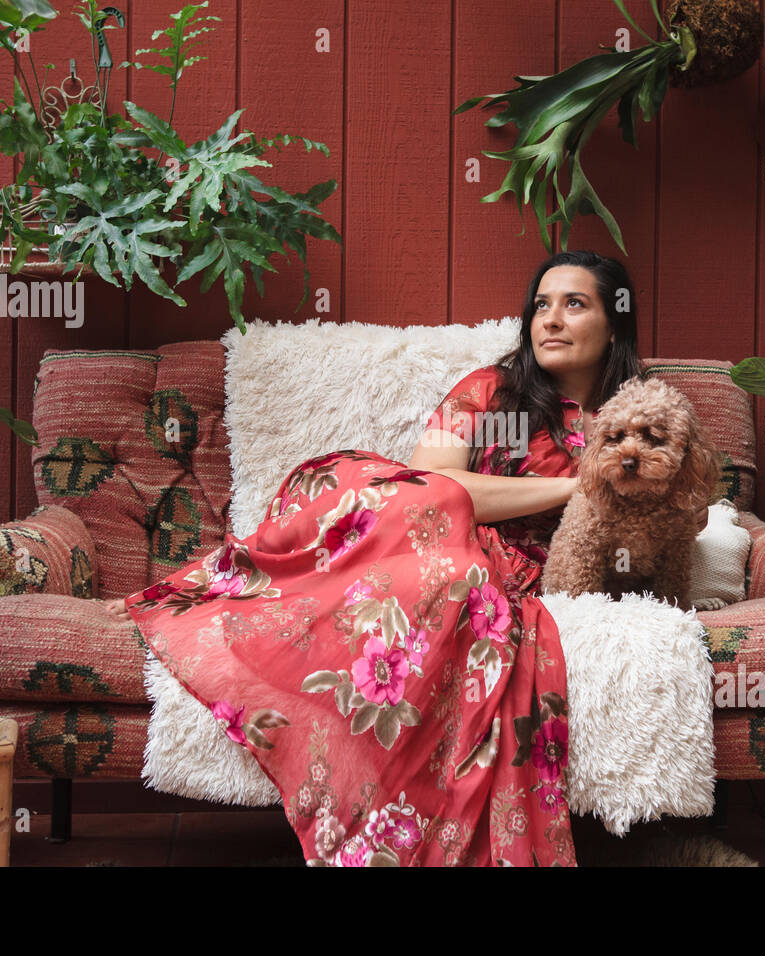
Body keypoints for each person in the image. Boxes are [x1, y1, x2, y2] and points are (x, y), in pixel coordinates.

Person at [104, 250, 644, 866]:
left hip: (500, 567)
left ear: (614, 322)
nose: (550, 319)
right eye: (541, 305)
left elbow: (662, 508)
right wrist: (571, 487)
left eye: (575, 304)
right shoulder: (498, 396)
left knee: (462, 583)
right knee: (399, 492)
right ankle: (265, 587)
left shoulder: (632, 425)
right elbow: (440, 485)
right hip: (426, 526)